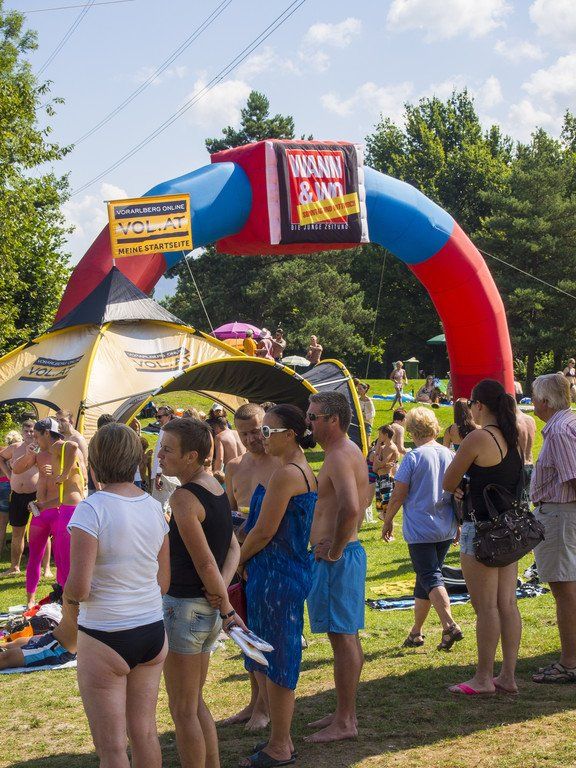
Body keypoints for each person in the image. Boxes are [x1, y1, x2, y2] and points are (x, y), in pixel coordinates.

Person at [66, 423, 170, 768]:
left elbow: (79, 588)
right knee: (145, 733)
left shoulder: (92, 508)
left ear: (95, 460)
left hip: (105, 632)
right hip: (151, 628)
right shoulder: (153, 506)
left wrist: (67, 602)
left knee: (111, 749)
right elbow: (163, 581)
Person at [158, 418, 244, 768]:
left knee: (182, 709)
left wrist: (225, 605)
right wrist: (221, 593)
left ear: (191, 456)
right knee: (194, 703)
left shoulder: (183, 497)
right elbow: (233, 548)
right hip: (204, 609)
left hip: (186, 609)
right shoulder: (215, 487)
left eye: (167, 450)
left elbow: (206, 561)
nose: (159, 456)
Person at [238, 404, 317, 767]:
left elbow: (264, 531)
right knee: (273, 657)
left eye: (268, 431)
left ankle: (280, 745)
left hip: (276, 576)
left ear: (291, 434)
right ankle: (279, 740)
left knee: (278, 661)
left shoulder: (287, 474)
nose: (262, 437)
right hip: (281, 572)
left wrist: (237, 561)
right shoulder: (296, 469)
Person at [443, 379, 524, 695]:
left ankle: (483, 678)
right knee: (508, 604)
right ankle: (507, 676)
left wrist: (462, 485)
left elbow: (448, 481)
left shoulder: (478, 437)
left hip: (481, 529)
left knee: (486, 607)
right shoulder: (513, 435)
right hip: (508, 528)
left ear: (478, 405)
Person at [305, 391, 368, 743]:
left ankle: (345, 720)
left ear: (333, 420)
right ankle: (346, 711)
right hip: (344, 556)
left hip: (338, 561)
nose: (308, 423)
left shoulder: (340, 455)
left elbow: (352, 507)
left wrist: (335, 549)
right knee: (347, 637)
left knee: (343, 639)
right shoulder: (344, 451)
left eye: (313, 417)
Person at [381, 408, 462, 650]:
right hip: (445, 526)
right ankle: (416, 632)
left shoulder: (413, 457)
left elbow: (398, 494)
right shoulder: (449, 454)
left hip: (421, 528)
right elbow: (457, 492)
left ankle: (449, 625)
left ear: (412, 431)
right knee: (425, 579)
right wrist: (458, 524)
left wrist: (388, 520)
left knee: (430, 576)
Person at [222, 403, 281, 730]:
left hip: (271, 556)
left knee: (267, 632)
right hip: (241, 559)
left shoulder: (282, 464)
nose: (251, 439)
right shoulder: (234, 467)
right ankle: (254, 700)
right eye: (244, 434)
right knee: (246, 630)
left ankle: (265, 706)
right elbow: (230, 515)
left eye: (257, 431)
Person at [529, 373, 576, 684]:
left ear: (545, 401)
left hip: (561, 514)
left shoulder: (559, 430)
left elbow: (573, 476)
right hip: (563, 514)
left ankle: (570, 662)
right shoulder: (567, 423)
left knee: (565, 589)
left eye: (535, 397)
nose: (533, 402)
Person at [13, 418, 85, 596]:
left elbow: (78, 473)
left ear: (46, 433)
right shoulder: (40, 453)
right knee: (35, 557)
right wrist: (28, 455)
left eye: (37, 436)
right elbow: (16, 469)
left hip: (60, 509)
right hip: (42, 510)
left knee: (62, 558)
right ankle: (32, 599)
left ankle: (65, 597)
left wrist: (62, 473)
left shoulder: (63, 448)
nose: (35, 439)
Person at [0, 419, 39, 576]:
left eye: (32, 430)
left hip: (35, 495)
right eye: (26, 430)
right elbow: (1, 457)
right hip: (17, 495)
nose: (29, 433)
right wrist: (9, 474)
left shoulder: (41, 448)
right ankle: (14, 567)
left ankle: (44, 568)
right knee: (17, 532)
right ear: (22, 432)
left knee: (40, 531)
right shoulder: (15, 447)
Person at [0, 599, 78, 670]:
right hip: (52, 638)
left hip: (57, 649)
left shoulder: (80, 594)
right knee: (15, 643)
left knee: (6, 657)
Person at [151, 405, 180, 514]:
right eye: (156, 416)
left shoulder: (167, 431)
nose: (157, 419)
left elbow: (163, 454)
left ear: (169, 416)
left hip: (164, 475)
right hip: (168, 475)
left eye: (160, 417)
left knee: (160, 509)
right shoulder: (170, 430)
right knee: (167, 508)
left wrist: (158, 474)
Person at [0, 430, 22, 561]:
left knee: (2, 523)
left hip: (1, 485)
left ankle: (2, 549)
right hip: (10, 487)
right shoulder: (18, 452)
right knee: (15, 523)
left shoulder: (3, 452)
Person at [372, 426, 399, 518]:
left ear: (386, 435)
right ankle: (385, 518)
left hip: (386, 477)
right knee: (380, 503)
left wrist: (377, 460)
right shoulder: (383, 447)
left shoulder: (391, 447)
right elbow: (374, 459)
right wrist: (378, 445)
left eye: (380, 434)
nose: (378, 437)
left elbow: (382, 463)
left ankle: (388, 520)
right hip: (380, 476)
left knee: (386, 503)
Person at [211, 416, 245, 482]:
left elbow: (220, 459)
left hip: (232, 470)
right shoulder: (238, 433)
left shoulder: (219, 437)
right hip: (244, 468)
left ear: (217, 427)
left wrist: (216, 474)